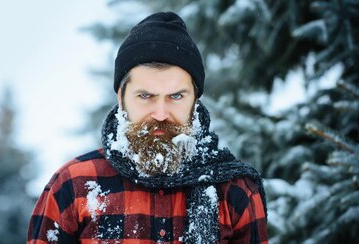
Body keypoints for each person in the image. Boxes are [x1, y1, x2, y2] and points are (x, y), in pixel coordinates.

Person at [28, 12, 268, 243]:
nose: (161, 114)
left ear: (195, 100)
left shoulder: (234, 190)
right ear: (121, 98)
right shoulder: (73, 185)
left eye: (176, 96)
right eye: (145, 96)